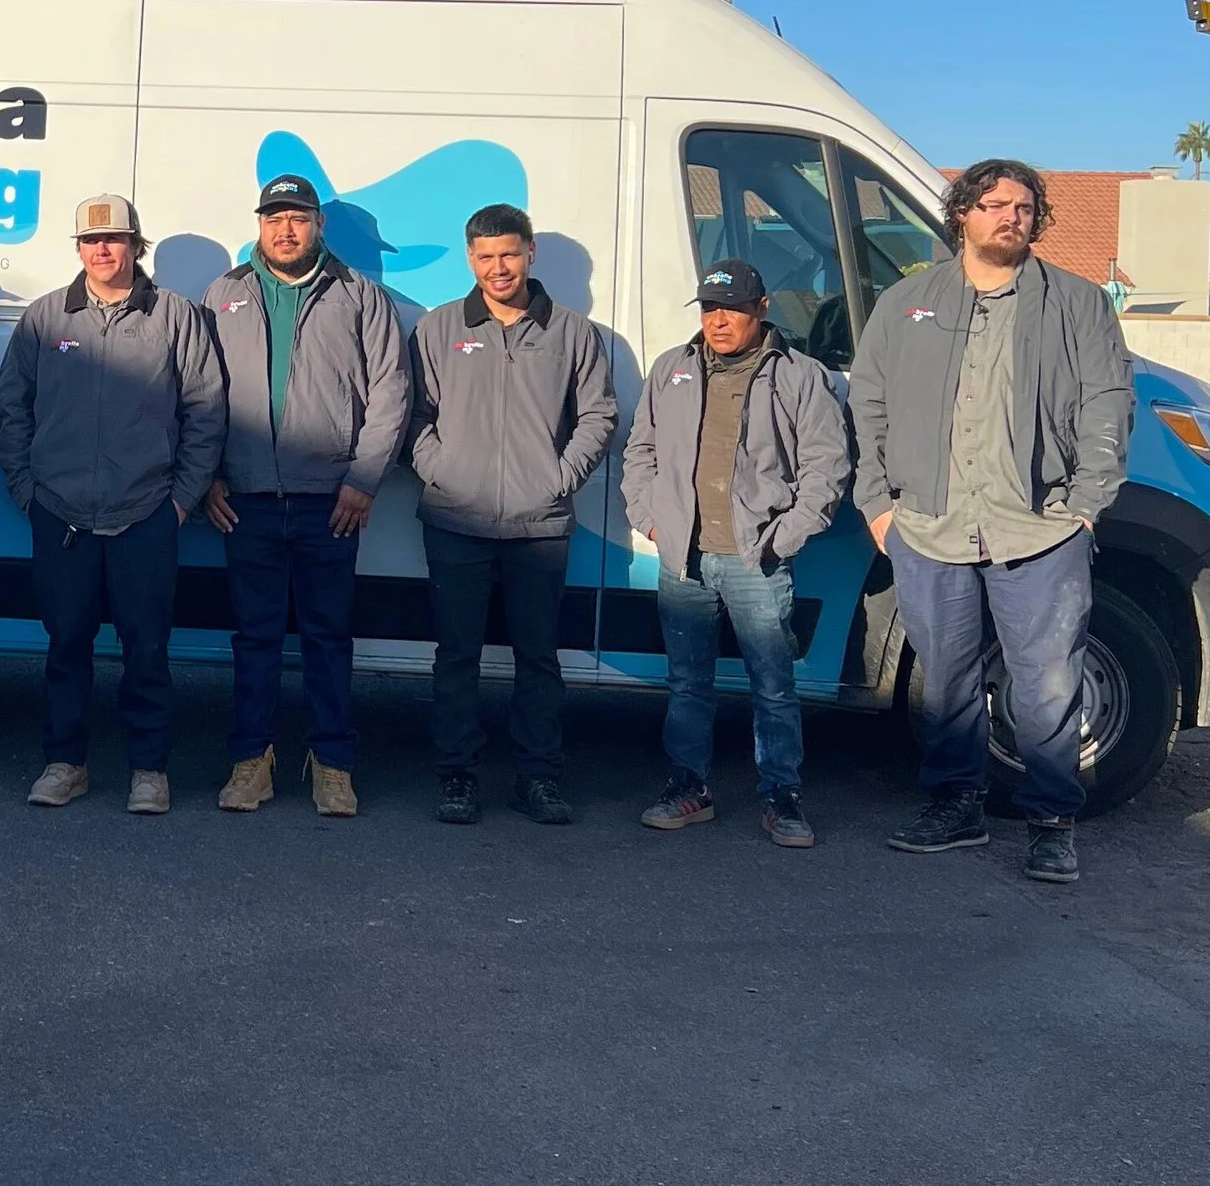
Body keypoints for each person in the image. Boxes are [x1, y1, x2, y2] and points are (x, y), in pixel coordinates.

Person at [848, 157, 1132, 884]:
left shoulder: (1076, 303)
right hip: (929, 525)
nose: (1012, 217)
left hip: (1040, 527)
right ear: (962, 215)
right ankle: (956, 806)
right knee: (946, 680)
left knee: (1046, 683)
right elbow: (868, 403)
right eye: (995, 204)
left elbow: (1107, 401)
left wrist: (1085, 507)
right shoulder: (907, 303)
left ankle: (1051, 823)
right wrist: (878, 505)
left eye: (1024, 207)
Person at [0, 191, 226, 814]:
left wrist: (180, 500)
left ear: (135, 244)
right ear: (78, 248)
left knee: (146, 649)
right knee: (66, 645)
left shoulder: (175, 316)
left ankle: (149, 770)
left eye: (115, 239)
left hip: (146, 512)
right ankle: (64, 764)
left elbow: (206, 410)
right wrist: (28, 491)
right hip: (61, 512)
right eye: (91, 240)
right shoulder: (46, 317)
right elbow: (12, 407)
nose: (102, 249)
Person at [620, 261, 852, 846]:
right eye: (709, 308)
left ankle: (782, 797)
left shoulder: (801, 376)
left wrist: (785, 536)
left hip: (758, 561)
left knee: (773, 685)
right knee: (686, 682)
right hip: (684, 559)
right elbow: (641, 449)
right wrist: (650, 518)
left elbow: (828, 467)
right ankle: (688, 788)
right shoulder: (672, 368)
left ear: (762, 309)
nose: (719, 320)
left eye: (733, 309)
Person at [201, 172, 410, 816]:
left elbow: (391, 394)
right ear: (259, 225)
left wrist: (363, 479)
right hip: (247, 499)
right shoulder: (225, 293)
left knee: (328, 638)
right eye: (274, 219)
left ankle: (333, 765)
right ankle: (251, 762)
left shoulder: (360, 296)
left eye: (297, 218)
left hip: (331, 502)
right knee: (254, 639)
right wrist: (208, 474)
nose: (285, 230)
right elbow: (200, 392)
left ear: (319, 225)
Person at [408, 203, 617, 827]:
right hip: (455, 520)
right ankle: (456, 776)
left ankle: (538, 777)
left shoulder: (573, 332)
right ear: (470, 260)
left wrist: (558, 478)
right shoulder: (438, 329)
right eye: (485, 257)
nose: (498, 268)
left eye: (509, 254)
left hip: (539, 525)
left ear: (530, 253)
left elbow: (599, 414)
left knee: (538, 658)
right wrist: (444, 471)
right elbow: (414, 416)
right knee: (456, 656)